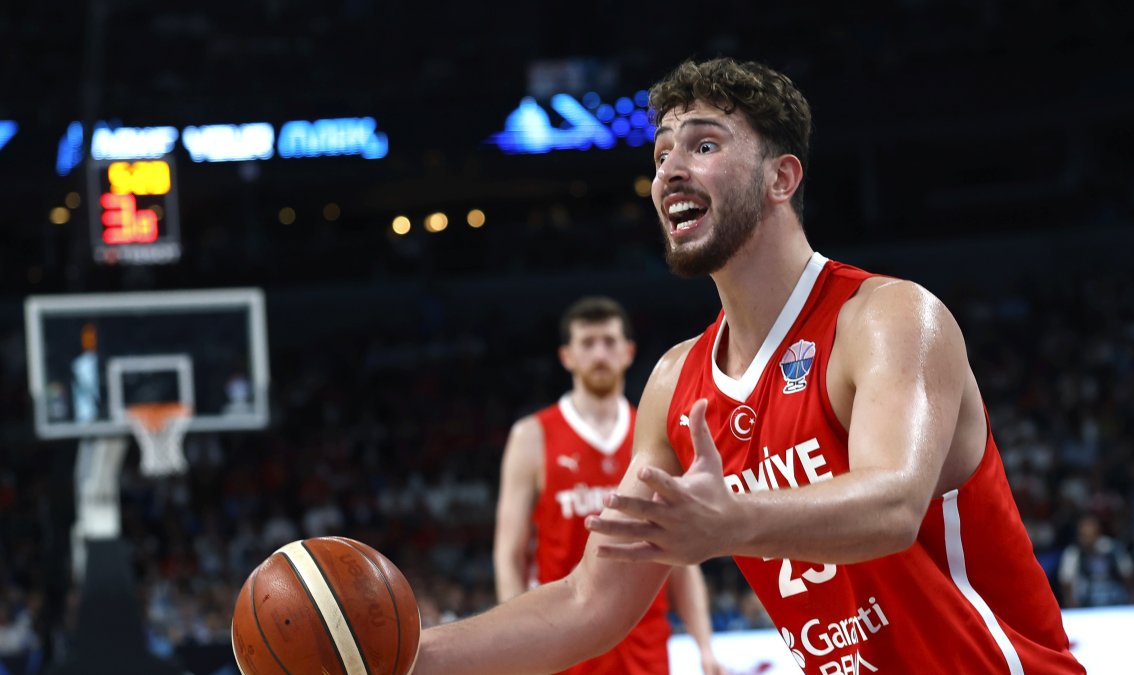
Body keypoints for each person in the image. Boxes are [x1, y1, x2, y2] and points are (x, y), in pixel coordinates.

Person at [415, 56, 1084, 674]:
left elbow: (892, 503)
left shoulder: (886, 317)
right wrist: (406, 656)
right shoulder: (677, 382)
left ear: (780, 177)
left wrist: (731, 519)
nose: (670, 170)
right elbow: (589, 601)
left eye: (703, 145)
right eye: (661, 154)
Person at [493, 296, 725, 675]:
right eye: (587, 343)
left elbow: (681, 561)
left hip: (644, 649)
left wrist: (705, 646)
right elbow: (509, 555)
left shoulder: (658, 434)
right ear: (566, 356)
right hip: (563, 645)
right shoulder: (532, 435)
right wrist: (515, 646)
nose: (600, 352)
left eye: (609, 341)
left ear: (629, 352)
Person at [1058, 514, 1134, 608]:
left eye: (1090, 535)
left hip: (1114, 597)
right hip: (1085, 599)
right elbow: (1066, 581)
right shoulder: (1073, 553)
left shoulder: (1112, 548)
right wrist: (1070, 601)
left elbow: (1127, 573)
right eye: (1083, 535)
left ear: (1098, 533)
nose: (1087, 539)